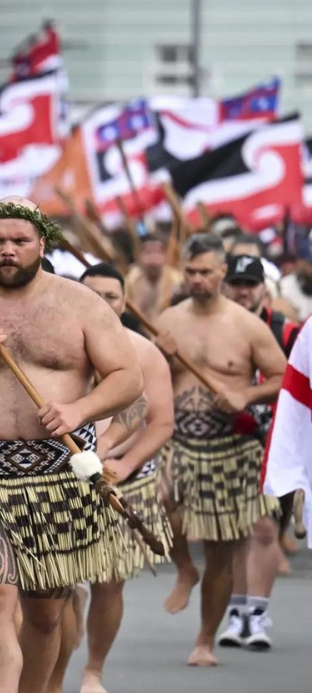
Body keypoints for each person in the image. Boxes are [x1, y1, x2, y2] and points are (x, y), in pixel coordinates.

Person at [0, 198, 142, 693]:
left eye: (19, 241)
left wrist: (80, 411)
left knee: (44, 613)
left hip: (58, 475)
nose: (8, 251)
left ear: (42, 243)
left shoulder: (81, 304)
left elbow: (128, 379)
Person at [152, 234, 286, 667]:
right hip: (178, 441)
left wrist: (246, 394)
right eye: (190, 272)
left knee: (220, 550)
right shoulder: (168, 319)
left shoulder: (248, 326)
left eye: (205, 272)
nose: (197, 280)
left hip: (229, 448)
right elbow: (146, 378)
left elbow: (283, 379)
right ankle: (182, 569)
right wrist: (160, 356)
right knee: (158, 504)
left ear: (222, 273)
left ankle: (205, 640)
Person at [46, 263, 175, 693]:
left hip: (122, 475)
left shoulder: (143, 352)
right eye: (92, 294)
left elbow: (157, 421)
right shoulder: (60, 348)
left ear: (125, 303)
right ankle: (56, 678)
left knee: (109, 581)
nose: (102, 303)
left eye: (112, 296)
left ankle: (94, 670)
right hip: (64, 475)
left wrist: (122, 462)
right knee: (57, 584)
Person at [215, 253, 300, 651]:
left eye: (251, 283)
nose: (244, 290)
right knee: (234, 531)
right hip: (222, 442)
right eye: (236, 282)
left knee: (265, 528)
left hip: (272, 443)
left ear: (264, 287)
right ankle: (236, 611)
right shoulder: (210, 327)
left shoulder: (286, 331)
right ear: (224, 283)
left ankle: (256, 613)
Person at [125, 233, 183, 315]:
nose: (153, 258)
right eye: (148, 253)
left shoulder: (176, 280)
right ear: (140, 256)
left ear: (165, 256)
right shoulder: (130, 281)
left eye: (157, 253)